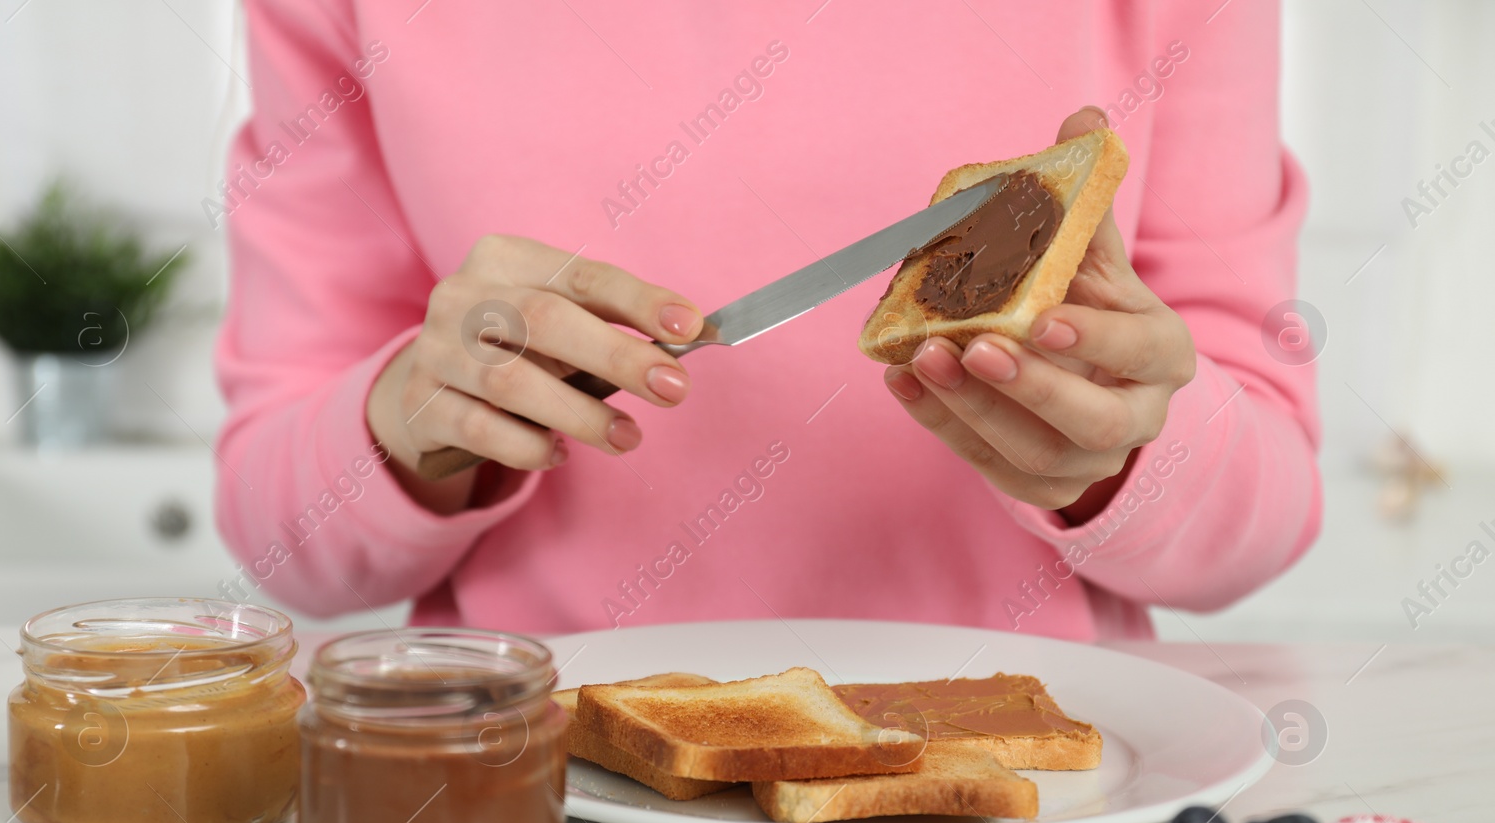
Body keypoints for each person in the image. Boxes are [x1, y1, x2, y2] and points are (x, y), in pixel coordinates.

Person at [214, 1, 1318, 640]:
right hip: (524, 798)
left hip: (1032, 806)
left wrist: (1119, 449)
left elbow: (1265, 517)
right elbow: (278, 538)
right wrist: (414, 423)